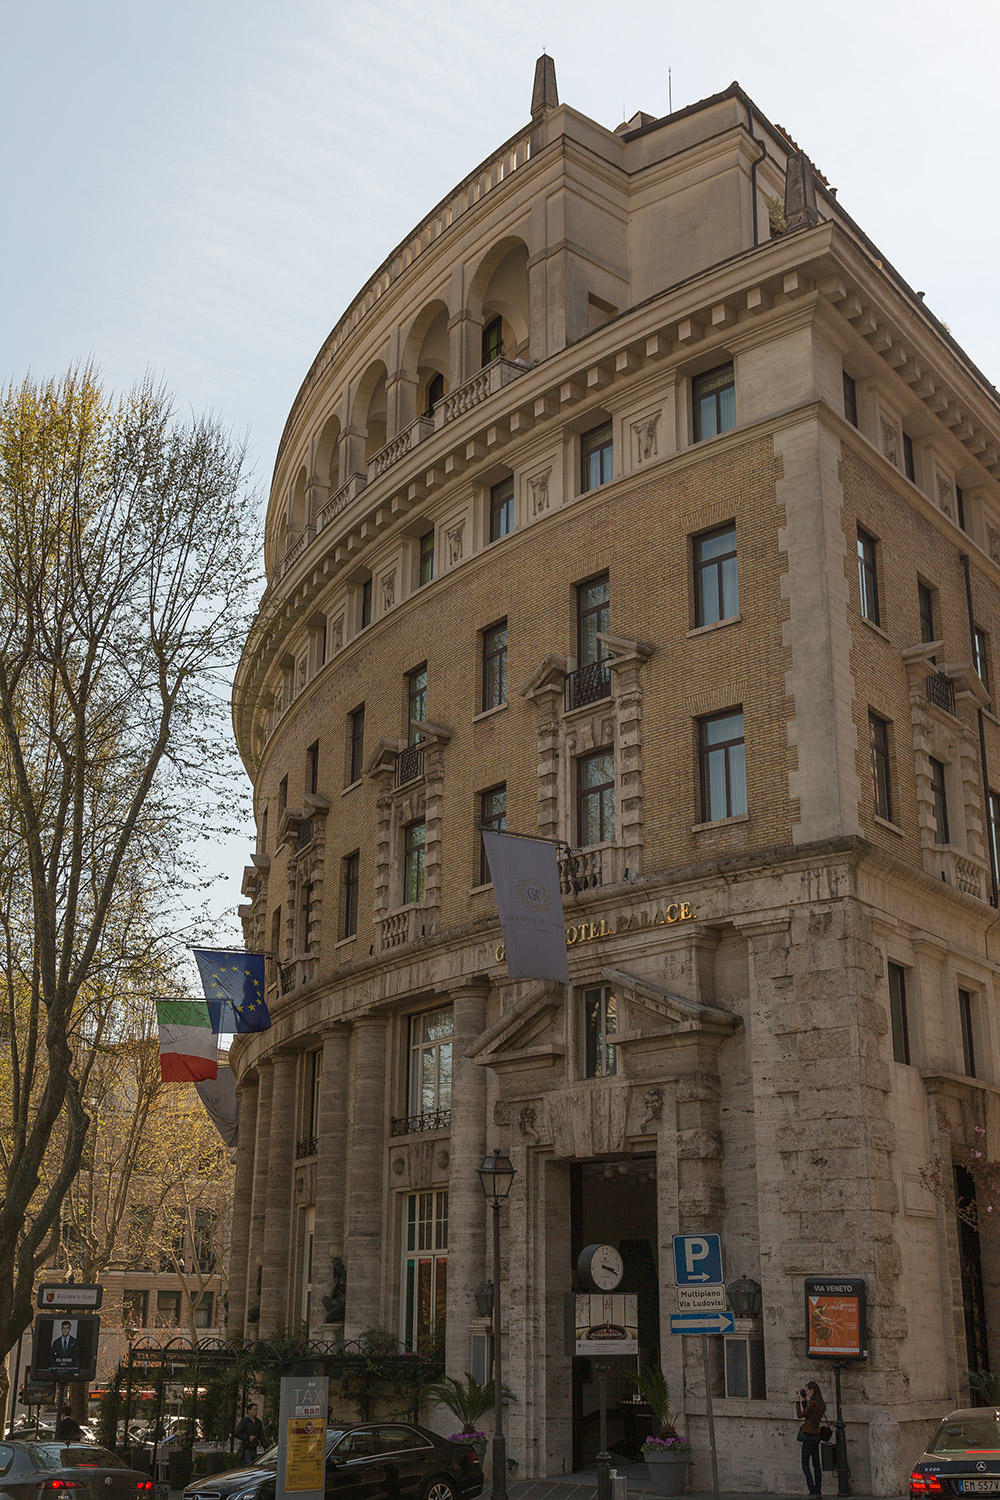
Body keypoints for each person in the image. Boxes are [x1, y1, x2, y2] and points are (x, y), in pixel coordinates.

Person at [795, 1381, 827, 1496]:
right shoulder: (821, 1404)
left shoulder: (812, 1403)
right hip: (817, 1435)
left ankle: (812, 1490)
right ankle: (818, 1490)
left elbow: (800, 1415)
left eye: (807, 1390)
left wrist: (798, 1401)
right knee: (816, 1465)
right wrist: (805, 1401)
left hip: (808, 1435)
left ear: (812, 1390)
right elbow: (810, 1414)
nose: (806, 1392)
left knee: (805, 1465)